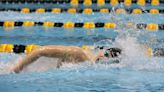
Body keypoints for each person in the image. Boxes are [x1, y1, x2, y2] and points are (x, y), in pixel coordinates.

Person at [12, 45, 121, 73]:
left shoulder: (90, 63)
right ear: (102, 55)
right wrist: (18, 68)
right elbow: (40, 51)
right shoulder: (79, 54)